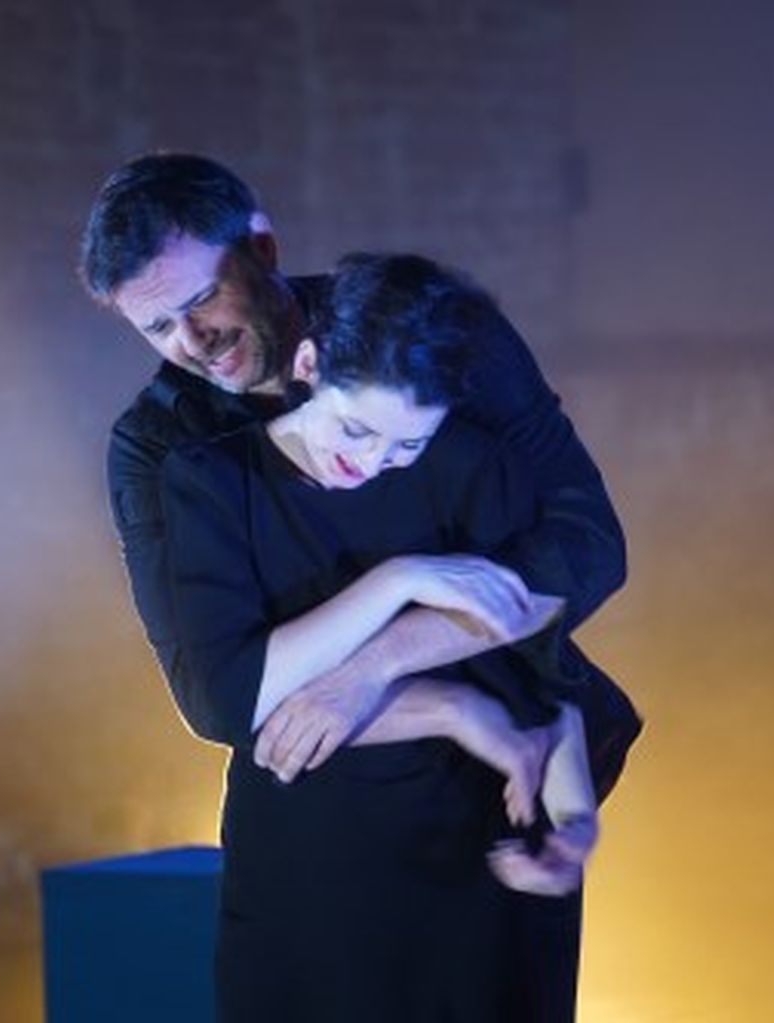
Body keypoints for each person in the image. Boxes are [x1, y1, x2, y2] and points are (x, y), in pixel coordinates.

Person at [80, 153, 642, 1018]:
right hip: (313, 838)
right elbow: (219, 699)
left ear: (262, 249)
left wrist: (375, 666)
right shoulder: (163, 448)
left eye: (201, 301)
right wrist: (442, 693)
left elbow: (584, 548)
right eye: (157, 327)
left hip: (485, 809)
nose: (193, 343)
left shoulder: (432, 340)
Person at [160, 253, 602, 1020]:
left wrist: (575, 821)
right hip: (304, 874)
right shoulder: (212, 482)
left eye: (405, 447)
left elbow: (540, 668)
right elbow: (238, 700)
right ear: (308, 364)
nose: (370, 462)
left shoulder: (469, 465)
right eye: (356, 428)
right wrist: (400, 581)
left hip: (473, 859)